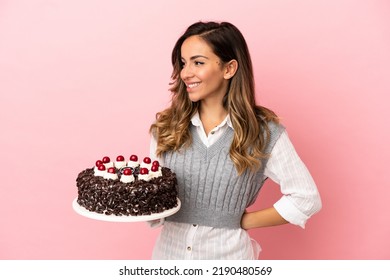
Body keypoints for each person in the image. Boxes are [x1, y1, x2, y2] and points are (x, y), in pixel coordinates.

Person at [148, 21, 322, 259]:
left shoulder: (264, 134)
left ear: (229, 69)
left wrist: (242, 220)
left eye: (198, 62)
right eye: (183, 63)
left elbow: (306, 198)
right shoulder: (166, 129)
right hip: (167, 259)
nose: (185, 73)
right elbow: (153, 200)